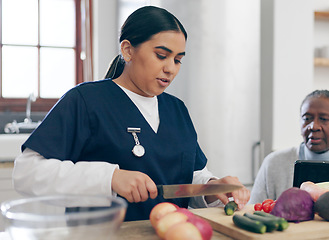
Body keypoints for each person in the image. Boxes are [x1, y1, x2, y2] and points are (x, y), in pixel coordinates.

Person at [12, 6, 249, 221]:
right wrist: (110, 178)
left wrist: (213, 187)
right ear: (127, 50)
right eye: (161, 55)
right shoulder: (86, 101)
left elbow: (191, 178)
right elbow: (26, 173)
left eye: (178, 60)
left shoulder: (177, 110)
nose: (171, 68)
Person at [249, 89, 329, 204]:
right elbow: (254, 211)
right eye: (307, 118)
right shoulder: (273, 164)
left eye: (324, 119)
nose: (313, 126)